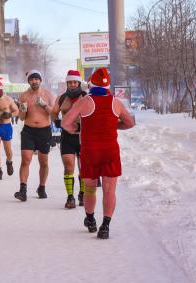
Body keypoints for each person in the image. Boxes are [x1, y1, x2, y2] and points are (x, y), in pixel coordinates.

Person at [62, 68, 134, 239]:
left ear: (91, 84)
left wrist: (76, 129)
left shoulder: (84, 101)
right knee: (109, 190)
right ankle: (106, 226)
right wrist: (114, 125)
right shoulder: (116, 102)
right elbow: (130, 123)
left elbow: (65, 122)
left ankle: (91, 219)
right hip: (110, 150)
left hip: (90, 151)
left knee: (90, 189)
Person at [14, 70, 55, 201]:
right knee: (25, 159)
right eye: (32, 79)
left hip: (44, 130)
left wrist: (44, 105)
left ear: (40, 80)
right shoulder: (24, 96)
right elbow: (21, 118)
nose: (34, 81)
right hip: (29, 131)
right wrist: (23, 110)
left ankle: (41, 187)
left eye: (36, 79)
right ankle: (23, 189)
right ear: (29, 81)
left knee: (43, 161)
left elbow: (54, 114)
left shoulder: (48, 95)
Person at [51, 70, 88, 209]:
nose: (72, 84)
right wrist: (56, 121)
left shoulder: (86, 97)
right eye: (70, 82)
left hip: (82, 137)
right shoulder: (61, 98)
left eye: (75, 82)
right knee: (68, 167)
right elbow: (53, 113)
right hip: (67, 137)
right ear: (67, 83)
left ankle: (82, 194)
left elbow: (92, 114)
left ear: (79, 83)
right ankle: (70, 197)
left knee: (83, 169)